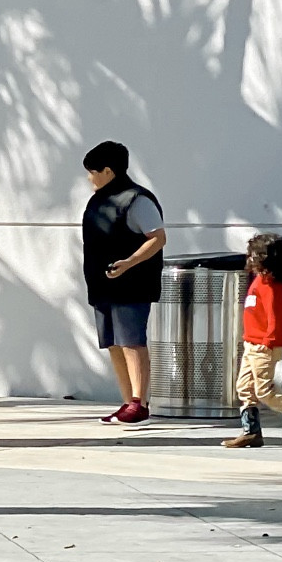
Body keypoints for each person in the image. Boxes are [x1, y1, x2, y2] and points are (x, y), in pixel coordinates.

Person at [81, 140, 166, 423]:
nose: (89, 177)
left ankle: (139, 402)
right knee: (113, 344)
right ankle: (126, 400)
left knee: (132, 342)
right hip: (102, 285)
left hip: (132, 286)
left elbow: (157, 238)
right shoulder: (98, 200)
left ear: (108, 170)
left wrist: (129, 263)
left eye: (92, 171)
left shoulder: (137, 199)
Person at [224, 233, 282, 448]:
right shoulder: (259, 280)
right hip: (252, 343)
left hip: (263, 345)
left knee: (265, 392)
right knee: (244, 387)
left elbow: (275, 317)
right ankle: (251, 432)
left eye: (254, 254)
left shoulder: (272, 285)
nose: (249, 258)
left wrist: (268, 342)